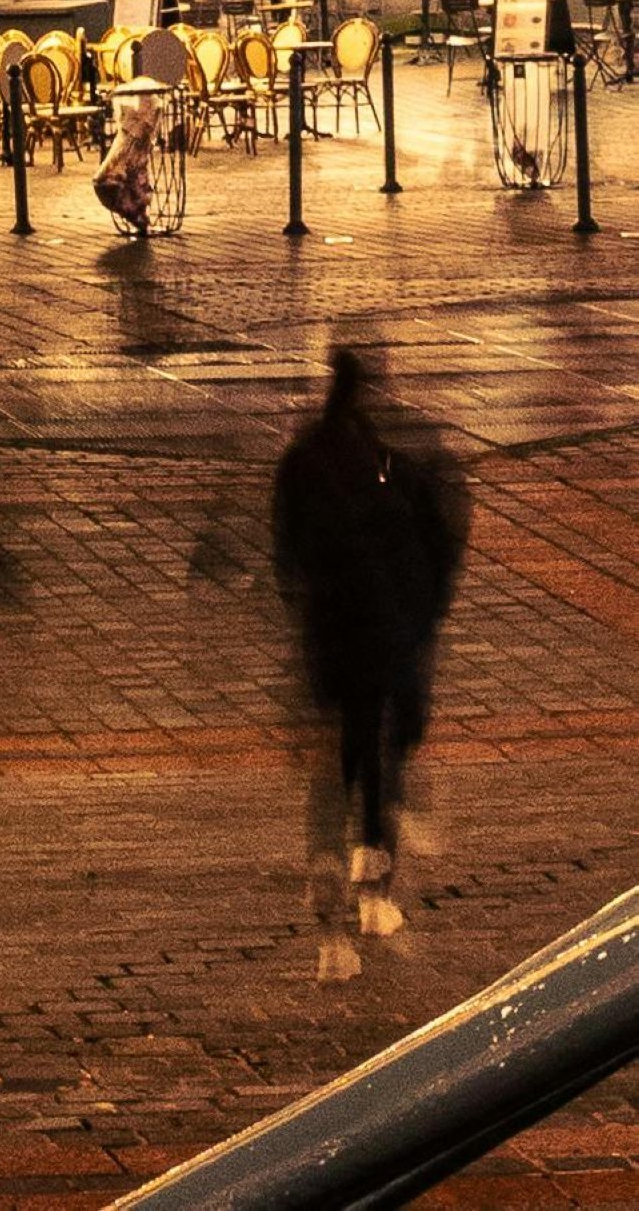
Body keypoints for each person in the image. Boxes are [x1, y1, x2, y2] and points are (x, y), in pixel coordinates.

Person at [275, 344, 471, 979]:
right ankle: (374, 879)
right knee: (383, 754)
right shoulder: (394, 462)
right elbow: (436, 541)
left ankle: (334, 884)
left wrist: (303, 605)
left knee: (341, 759)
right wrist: (426, 609)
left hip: (332, 630)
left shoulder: (305, 457)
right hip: (387, 633)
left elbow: (286, 546)